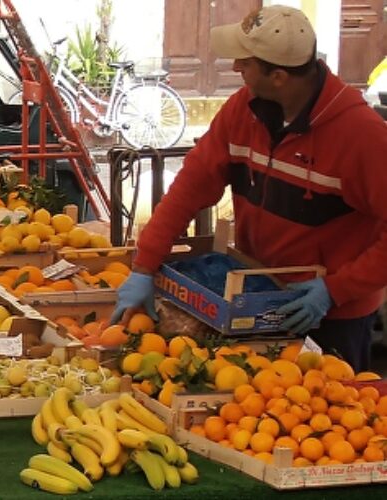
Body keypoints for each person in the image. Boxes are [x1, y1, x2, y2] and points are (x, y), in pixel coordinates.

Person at [110, 5, 387, 372]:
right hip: (255, 299)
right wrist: (145, 264)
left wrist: (336, 289)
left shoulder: (361, 136)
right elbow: (191, 185)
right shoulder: (244, 110)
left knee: (330, 419)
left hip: (330, 315)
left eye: (246, 61)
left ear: (278, 77)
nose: (236, 66)